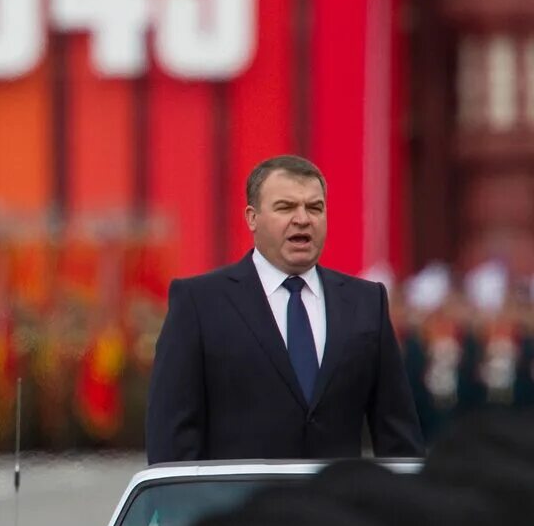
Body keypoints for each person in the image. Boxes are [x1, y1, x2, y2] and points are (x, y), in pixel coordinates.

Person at [145, 155, 423, 463]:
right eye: (286, 207)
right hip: (239, 509)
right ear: (252, 217)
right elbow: (171, 437)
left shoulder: (366, 303)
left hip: (338, 508)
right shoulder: (199, 302)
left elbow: (398, 436)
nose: (303, 219)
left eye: (314, 208)